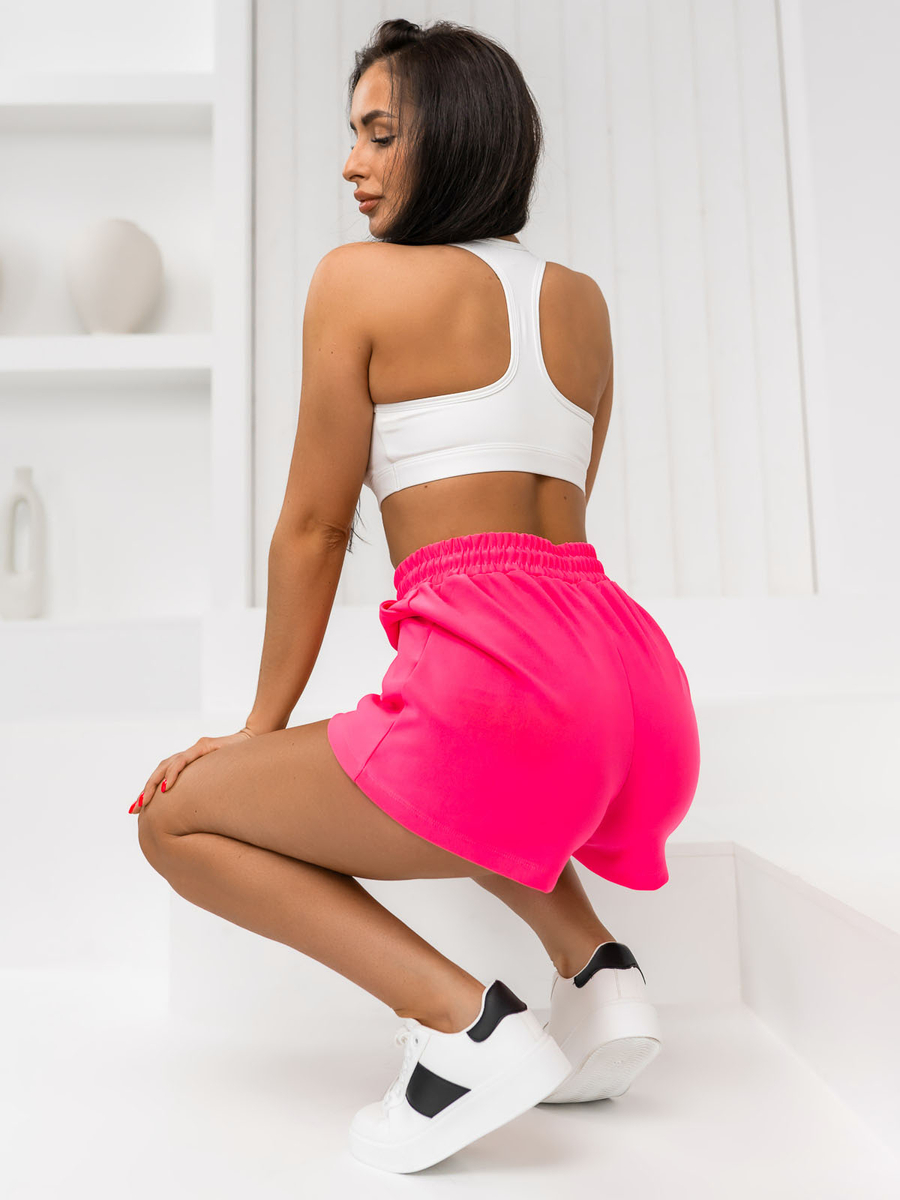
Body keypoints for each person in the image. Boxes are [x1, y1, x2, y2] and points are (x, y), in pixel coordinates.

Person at [130, 17, 700, 1175]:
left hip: (507, 692)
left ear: (456, 134)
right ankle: (600, 974)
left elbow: (314, 528)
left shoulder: (359, 283)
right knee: (468, 768)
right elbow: (555, 529)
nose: (352, 164)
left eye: (380, 134)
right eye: (353, 136)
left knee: (174, 819)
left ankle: (462, 1028)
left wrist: (255, 732)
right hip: (634, 690)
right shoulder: (581, 300)